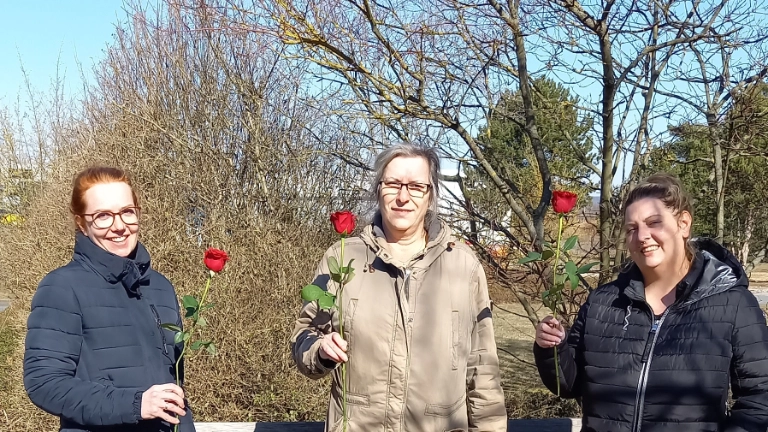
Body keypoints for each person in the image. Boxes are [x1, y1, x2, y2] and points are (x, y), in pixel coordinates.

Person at [291, 143, 507, 432]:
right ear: (378, 189)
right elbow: (303, 336)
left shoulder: (463, 266)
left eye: (416, 186)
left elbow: (483, 370)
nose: (403, 197)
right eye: (393, 184)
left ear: (430, 195)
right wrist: (320, 350)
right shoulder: (342, 259)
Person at [534, 173, 768, 431]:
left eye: (654, 222)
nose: (642, 236)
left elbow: (760, 399)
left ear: (683, 224)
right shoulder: (602, 303)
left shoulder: (733, 304)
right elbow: (568, 384)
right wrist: (552, 348)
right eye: (632, 229)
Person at [23, 166, 195, 432]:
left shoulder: (160, 286)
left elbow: (174, 382)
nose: (119, 226)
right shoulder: (62, 287)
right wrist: (135, 404)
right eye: (102, 216)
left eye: (127, 212)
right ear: (81, 223)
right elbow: (44, 383)